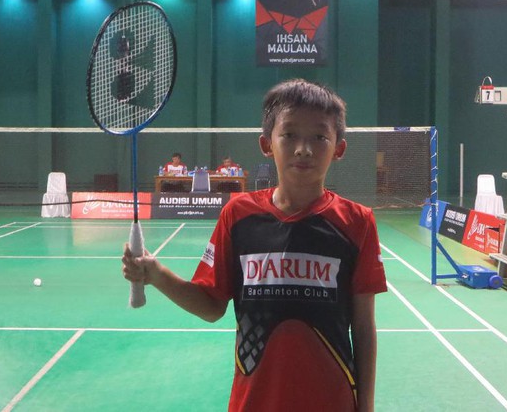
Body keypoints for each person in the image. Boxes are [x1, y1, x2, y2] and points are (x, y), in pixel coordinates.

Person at [122, 79, 386, 411]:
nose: (303, 149)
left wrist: (366, 407)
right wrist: (156, 274)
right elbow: (211, 305)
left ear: (339, 149)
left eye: (319, 137)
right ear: (266, 144)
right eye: (289, 134)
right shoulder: (238, 215)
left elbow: (363, 328)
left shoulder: (357, 222)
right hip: (253, 403)